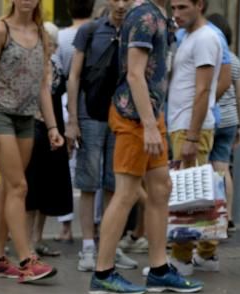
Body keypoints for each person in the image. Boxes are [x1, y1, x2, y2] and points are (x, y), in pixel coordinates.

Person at [88, 0, 202, 294]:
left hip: (150, 115)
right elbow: (134, 74)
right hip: (134, 117)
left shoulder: (158, 15)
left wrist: (154, 121)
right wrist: (149, 124)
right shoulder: (145, 15)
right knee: (126, 192)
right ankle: (103, 272)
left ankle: (159, 269)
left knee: (161, 188)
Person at [0, 0, 63, 283]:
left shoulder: (41, 33)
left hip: (27, 118)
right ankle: (27, 259)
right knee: (18, 186)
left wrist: (52, 125)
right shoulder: (0, 30)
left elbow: (42, 85)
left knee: (7, 190)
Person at [67, 0, 140, 274]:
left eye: (127, 0)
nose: (121, 5)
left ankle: (110, 244)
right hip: (92, 113)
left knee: (114, 182)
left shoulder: (137, 30)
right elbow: (74, 77)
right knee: (88, 181)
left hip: (123, 115)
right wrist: (72, 120)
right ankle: (88, 245)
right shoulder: (89, 31)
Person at [167, 0, 223, 276]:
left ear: (199, 5)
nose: (176, 14)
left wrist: (191, 136)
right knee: (197, 192)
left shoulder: (205, 38)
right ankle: (206, 253)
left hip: (191, 127)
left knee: (185, 196)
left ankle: (181, 258)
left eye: (182, 7)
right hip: (184, 125)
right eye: (173, 7)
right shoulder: (190, 37)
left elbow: (202, 91)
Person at [26, 21, 73, 257]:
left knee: (46, 187)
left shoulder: (57, 66)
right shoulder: (32, 65)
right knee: (31, 187)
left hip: (54, 128)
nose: (50, 47)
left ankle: (37, 238)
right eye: (47, 42)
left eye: (53, 43)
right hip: (34, 128)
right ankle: (26, 243)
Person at [55, 0, 95, 244]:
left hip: (65, 101)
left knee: (67, 168)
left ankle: (66, 227)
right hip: (91, 101)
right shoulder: (97, 31)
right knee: (93, 166)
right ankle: (95, 225)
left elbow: (59, 71)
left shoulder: (61, 36)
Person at [206, 13, 240, 233]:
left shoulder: (211, 57)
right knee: (223, 168)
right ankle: (227, 216)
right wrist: (239, 124)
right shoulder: (235, 59)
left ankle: (209, 215)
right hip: (230, 121)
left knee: (203, 168)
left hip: (210, 118)